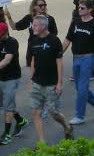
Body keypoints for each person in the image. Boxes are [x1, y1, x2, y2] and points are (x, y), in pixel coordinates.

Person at [62, 0, 94, 125]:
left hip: (89, 59)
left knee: (82, 88)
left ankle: (79, 116)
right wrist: (59, 54)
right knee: (79, 88)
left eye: (82, 8)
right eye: (79, 7)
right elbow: (67, 40)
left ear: (90, 9)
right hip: (76, 58)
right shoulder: (75, 22)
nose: (79, 9)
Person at [29, 16, 74, 144]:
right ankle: (42, 143)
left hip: (51, 84)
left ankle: (67, 127)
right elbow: (33, 61)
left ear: (43, 26)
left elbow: (59, 62)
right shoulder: (34, 40)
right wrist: (31, 79)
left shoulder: (54, 41)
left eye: (35, 25)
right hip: (37, 83)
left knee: (53, 112)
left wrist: (59, 83)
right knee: (36, 113)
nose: (33, 27)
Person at [5, 0, 58, 68]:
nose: (43, 7)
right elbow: (14, 27)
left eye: (44, 5)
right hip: (32, 50)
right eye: (40, 5)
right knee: (32, 73)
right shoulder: (29, 18)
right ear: (34, 7)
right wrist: (9, 17)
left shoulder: (50, 19)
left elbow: (54, 35)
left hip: (45, 49)